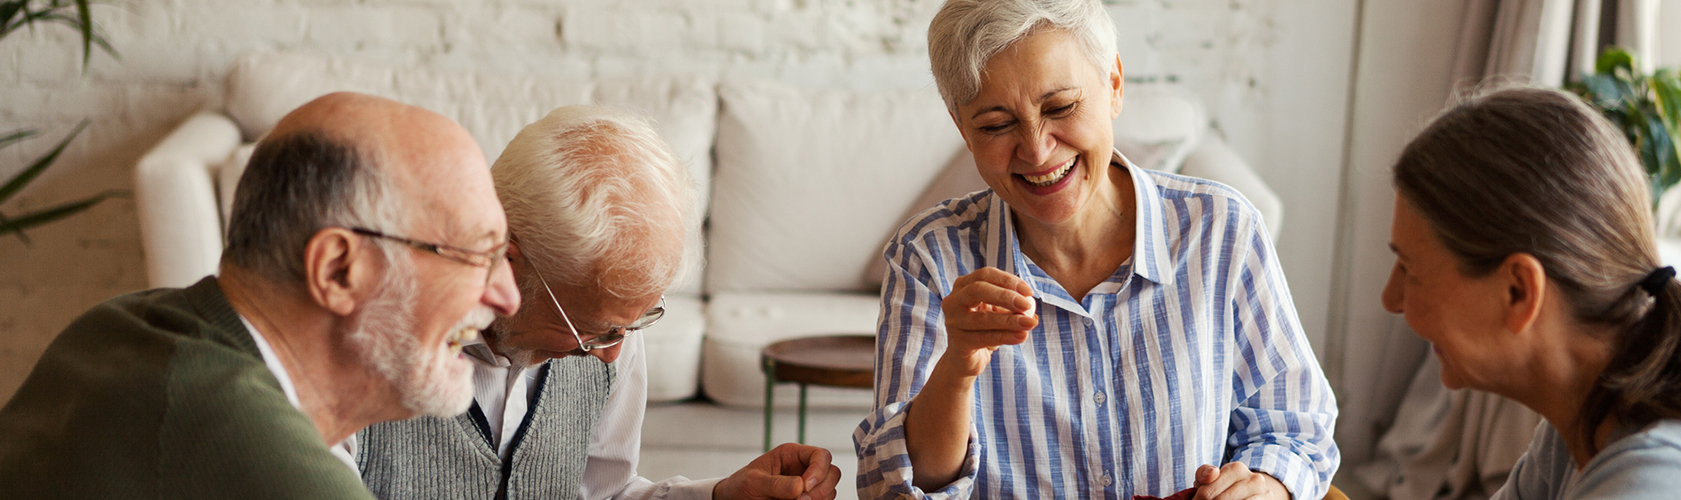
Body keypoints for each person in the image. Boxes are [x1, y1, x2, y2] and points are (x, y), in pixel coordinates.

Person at [853, 1, 1338, 499]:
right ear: (962, 128)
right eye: (996, 125)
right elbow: (892, 490)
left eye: (1060, 107)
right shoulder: (927, 258)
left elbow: (1295, 429)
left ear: (1114, 85)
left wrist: (1267, 487)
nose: (1037, 151)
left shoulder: (1221, 230)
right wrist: (956, 369)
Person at [0, 92, 521, 498]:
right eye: (478, 255)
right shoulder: (249, 451)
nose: (508, 295)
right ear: (338, 270)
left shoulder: (124, 324)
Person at [353, 105, 842, 500]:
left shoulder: (614, 329)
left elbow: (604, 492)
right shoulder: (364, 341)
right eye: (592, 328)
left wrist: (718, 497)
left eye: (632, 324)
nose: (612, 352)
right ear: (508, 259)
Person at [1380, 87, 1681, 499]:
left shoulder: (1664, 480)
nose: (1391, 298)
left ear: (1519, 290)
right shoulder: (1582, 423)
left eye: (1410, 270)